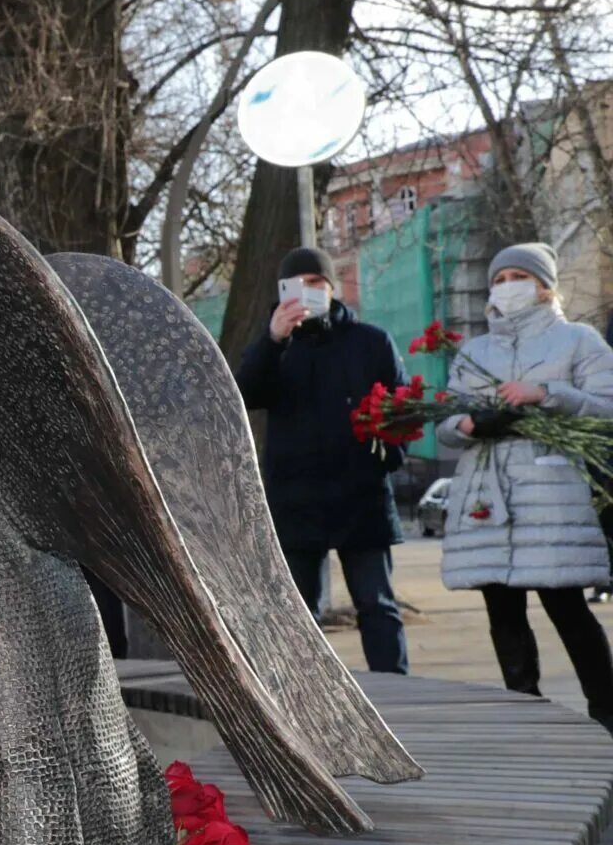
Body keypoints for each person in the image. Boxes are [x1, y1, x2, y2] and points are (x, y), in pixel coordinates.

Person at [439, 242, 613, 731]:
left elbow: (608, 406)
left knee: (567, 606)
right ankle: (527, 711)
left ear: (543, 286)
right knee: (502, 609)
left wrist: (546, 394)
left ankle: (606, 710)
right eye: (498, 278)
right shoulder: (474, 352)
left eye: (517, 276)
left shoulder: (577, 340)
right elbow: (446, 423)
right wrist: (470, 425)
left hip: (550, 494)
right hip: (487, 497)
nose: (506, 286)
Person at [235, 247, 410, 676]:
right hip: (297, 497)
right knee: (300, 613)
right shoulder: (276, 344)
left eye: (317, 284)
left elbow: (403, 410)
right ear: (280, 293)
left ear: (332, 289)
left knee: (376, 605)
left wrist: (385, 460)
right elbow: (244, 394)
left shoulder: (370, 341)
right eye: (296, 286)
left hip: (361, 495)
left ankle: (396, 694)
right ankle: (310, 701)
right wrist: (273, 340)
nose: (307, 293)